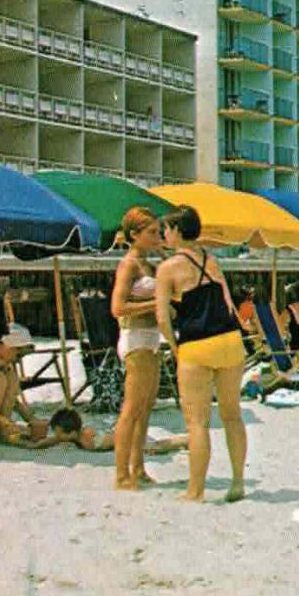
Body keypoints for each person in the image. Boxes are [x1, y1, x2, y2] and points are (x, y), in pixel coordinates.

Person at [154, 206, 249, 503]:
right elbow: (229, 304)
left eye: (166, 229)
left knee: (197, 423)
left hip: (197, 344)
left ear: (178, 231)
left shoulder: (168, 268)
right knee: (232, 415)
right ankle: (237, 482)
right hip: (230, 341)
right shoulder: (213, 260)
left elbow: (161, 317)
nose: (163, 235)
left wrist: (174, 347)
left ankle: (195, 491)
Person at [110, 206, 164, 491]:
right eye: (152, 232)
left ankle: (138, 468)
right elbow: (117, 307)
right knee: (131, 408)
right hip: (135, 336)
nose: (158, 236)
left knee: (145, 408)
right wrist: (156, 304)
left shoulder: (150, 264)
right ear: (135, 235)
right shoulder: (129, 264)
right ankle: (121, 474)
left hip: (152, 338)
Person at [24, 406, 188, 454]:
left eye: (59, 432)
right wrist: (35, 445)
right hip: (123, 433)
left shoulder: (87, 438)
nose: (57, 436)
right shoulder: (76, 435)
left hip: (128, 437)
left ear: (71, 432)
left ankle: (185, 440)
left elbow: (116, 438)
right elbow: (54, 439)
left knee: (156, 447)